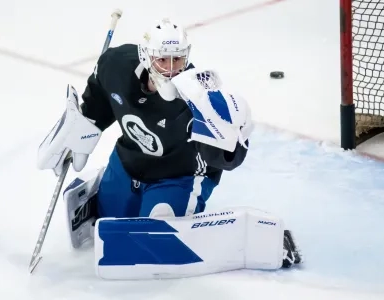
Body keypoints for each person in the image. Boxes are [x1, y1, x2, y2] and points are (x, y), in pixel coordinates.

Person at [37, 18, 301, 273]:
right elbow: (100, 99)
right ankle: (106, 187)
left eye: (178, 59)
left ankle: (238, 235)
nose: (172, 68)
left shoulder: (197, 97)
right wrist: (81, 130)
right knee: (109, 225)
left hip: (179, 176)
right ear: (146, 56)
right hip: (128, 162)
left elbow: (224, 159)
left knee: (156, 232)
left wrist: (232, 135)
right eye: (163, 59)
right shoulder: (115, 64)